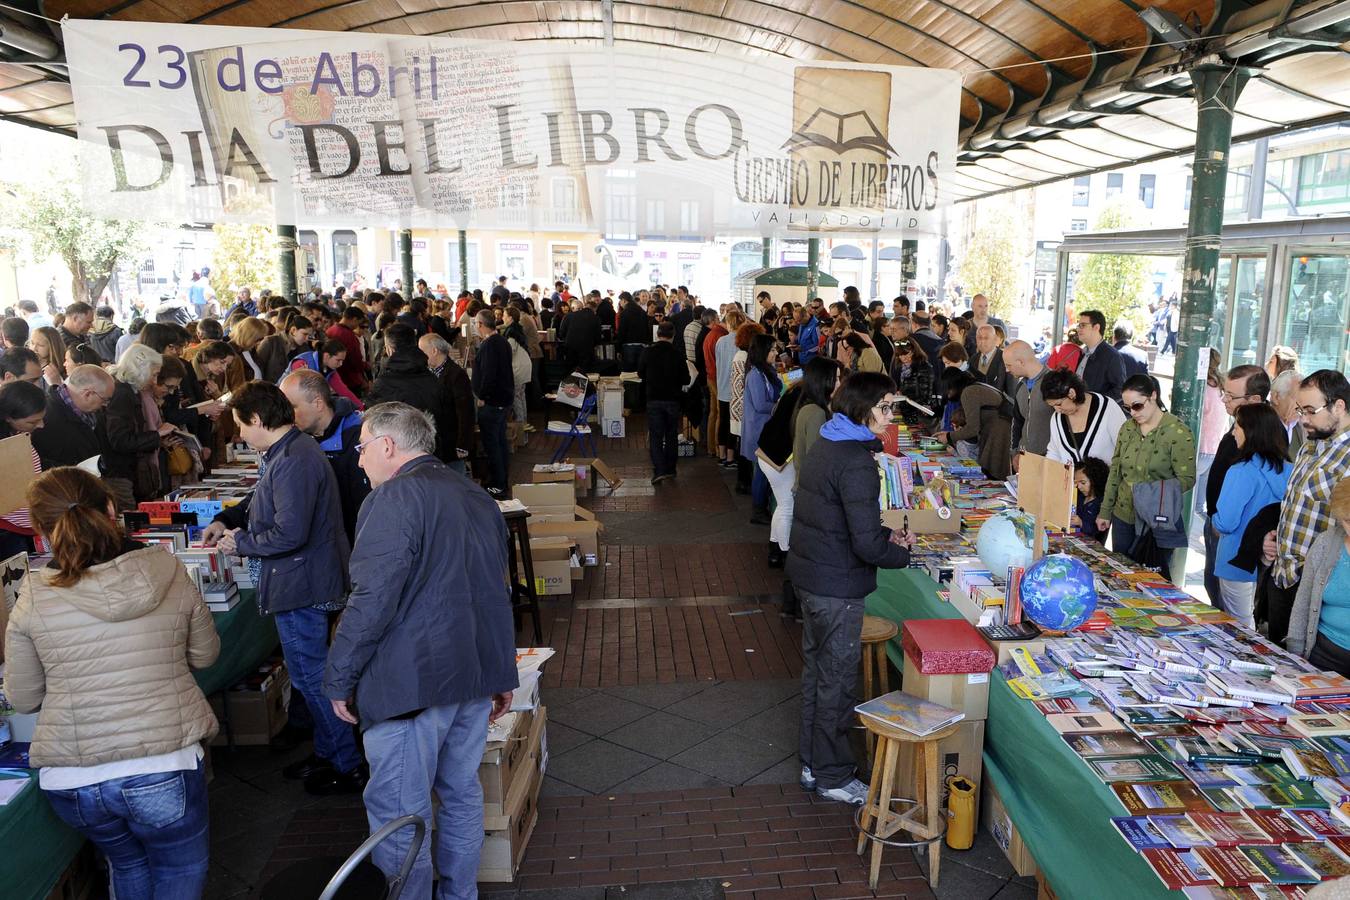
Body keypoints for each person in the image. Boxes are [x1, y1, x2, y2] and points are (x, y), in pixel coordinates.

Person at [323, 402, 517, 899]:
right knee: (460, 795)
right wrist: (498, 672)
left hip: (411, 683)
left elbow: (371, 599)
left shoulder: (393, 499)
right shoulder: (475, 495)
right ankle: (460, 895)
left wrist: (339, 678)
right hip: (469, 675)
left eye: (361, 448)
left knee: (400, 815)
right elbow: (495, 590)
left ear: (388, 445)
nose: (359, 460)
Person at [3, 468, 220, 900]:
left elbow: (24, 698)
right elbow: (205, 654)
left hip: (74, 776)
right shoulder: (167, 568)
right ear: (109, 509)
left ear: (42, 533)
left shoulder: (33, 594)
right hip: (162, 762)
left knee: (126, 862)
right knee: (179, 865)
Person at [205, 381, 363, 795]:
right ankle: (330, 752)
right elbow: (265, 502)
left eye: (241, 425)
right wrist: (231, 518)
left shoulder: (293, 459)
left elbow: (289, 533)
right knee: (308, 673)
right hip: (300, 578)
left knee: (312, 677)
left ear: (257, 419)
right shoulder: (287, 451)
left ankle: (346, 763)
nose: (239, 434)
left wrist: (240, 542)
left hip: (302, 583)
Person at [788, 371, 913, 805]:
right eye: (884, 407)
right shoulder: (856, 460)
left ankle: (812, 763)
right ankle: (832, 775)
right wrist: (901, 552)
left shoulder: (829, 441)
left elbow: (843, 520)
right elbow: (865, 542)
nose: (889, 416)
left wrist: (879, 537)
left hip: (812, 577)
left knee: (818, 675)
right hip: (835, 587)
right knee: (837, 683)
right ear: (862, 408)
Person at [1263, 370, 1350, 646]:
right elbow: (1297, 504)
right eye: (1300, 410)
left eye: (1311, 410)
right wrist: (1274, 536)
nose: (1303, 419)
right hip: (1283, 575)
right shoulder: (1312, 443)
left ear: (1339, 406)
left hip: (1314, 585)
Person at [1097, 374, 1197, 571]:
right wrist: (1105, 511)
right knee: (1121, 572)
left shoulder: (1177, 432)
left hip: (1157, 519)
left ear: (1153, 396)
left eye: (1137, 406)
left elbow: (1187, 479)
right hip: (1123, 515)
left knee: (1152, 578)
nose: (1133, 413)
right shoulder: (1127, 429)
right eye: (1127, 408)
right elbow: (1116, 472)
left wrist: (1150, 492)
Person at [1212, 403, 1291, 629]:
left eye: (1237, 427)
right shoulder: (1289, 470)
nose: (1233, 432)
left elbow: (1226, 522)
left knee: (1239, 626)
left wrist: (1215, 522)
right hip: (1272, 560)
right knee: (1256, 620)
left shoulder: (1241, 471)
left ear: (1253, 431)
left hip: (1236, 559)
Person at [1202, 365, 1270, 611]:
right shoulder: (1239, 426)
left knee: (1231, 611)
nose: (1223, 400)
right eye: (1224, 393)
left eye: (1231, 396)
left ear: (1255, 399)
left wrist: (1222, 524)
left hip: (1234, 537)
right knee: (1214, 592)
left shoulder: (1263, 437)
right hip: (1219, 526)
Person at [281, 369, 370, 544]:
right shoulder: (296, 437)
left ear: (318, 404)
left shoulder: (359, 439)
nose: (287, 415)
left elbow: (366, 511)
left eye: (293, 407)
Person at [366, 324, 454, 465]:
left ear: (389, 348)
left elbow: (372, 425)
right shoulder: (433, 379)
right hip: (433, 456)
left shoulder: (383, 384)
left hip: (398, 461)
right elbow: (448, 420)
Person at [1288, 478, 1350, 676]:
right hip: (1324, 655)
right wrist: (1295, 653)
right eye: (1349, 521)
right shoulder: (1326, 544)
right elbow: (1303, 602)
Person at [105, 344, 176, 510]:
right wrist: (157, 435)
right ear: (140, 370)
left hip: (129, 472)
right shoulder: (122, 393)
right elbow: (121, 440)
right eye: (154, 375)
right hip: (120, 473)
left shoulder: (129, 391)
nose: (155, 381)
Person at [31, 364, 114, 471]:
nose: (105, 405)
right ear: (87, 394)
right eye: (105, 400)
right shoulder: (46, 419)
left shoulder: (85, 411)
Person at [934, 370, 1014, 479]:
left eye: (948, 389)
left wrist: (948, 437)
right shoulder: (975, 387)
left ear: (953, 385)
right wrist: (949, 433)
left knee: (993, 473)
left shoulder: (969, 392)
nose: (948, 393)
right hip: (1000, 429)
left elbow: (972, 428)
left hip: (998, 434)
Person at [638, 320, 690, 484]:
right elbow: (686, 379)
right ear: (673, 336)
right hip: (673, 400)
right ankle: (671, 469)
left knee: (656, 436)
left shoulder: (648, 352)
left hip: (653, 399)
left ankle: (659, 470)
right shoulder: (678, 353)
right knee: (671, 435)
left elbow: (640, 374)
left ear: (657, 334)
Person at [1041, 368, 1127, 467]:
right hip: (1070, 482)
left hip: (1108, 480)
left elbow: (1125, 449)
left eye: (1059, 404)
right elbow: (1054, 453)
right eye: (1052, 406)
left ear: (1071, 393)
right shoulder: (1057, 419)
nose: (1057, 410)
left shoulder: (1108, 408)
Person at [741, 333, 783, 523]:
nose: (776, 353)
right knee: (761, 471)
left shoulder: (765, 371)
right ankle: (757, 511)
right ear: (763, 351)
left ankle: (760, 507)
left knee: (763, 471)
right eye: (772, 349)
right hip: (759, 430)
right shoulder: (755, 375)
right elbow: (760, 404)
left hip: (765, 429)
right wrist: (780, 405)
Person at [0, 381, 45, 556]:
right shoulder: (8, 446)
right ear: (8, 417)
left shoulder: (18, 436)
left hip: (28, 525)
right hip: (9, 531)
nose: (41, 425)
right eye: (32, 421)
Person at [471, 310, 514, 497]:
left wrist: (482, 396)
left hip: (492, 401)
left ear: (481, 324)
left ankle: (498, 482)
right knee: (500, 442)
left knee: (493, 444)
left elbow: (488, 375)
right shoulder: (502, 341)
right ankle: (502, 479)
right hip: (503, 400)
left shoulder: (489, 345)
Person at [419, 333, 476, 474]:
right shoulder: (426, 373)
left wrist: (463, 444)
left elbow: (465, 412)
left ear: (434, 351)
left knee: (455, 481)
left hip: (451, 443)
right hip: (435, 443)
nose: (419, 355)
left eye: (422, 351)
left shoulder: (456, 375)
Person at [1006, 340, 1052, 465]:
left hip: (1049, 461)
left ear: (1020, 362)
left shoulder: (1053, 383)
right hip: (1024, 458)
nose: (1007, 370)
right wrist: (1014, 452)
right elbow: (1017, 422)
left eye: (1009, 365)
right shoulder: (1020, 386)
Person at [713, 309, 745, 468]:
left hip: (722, 385)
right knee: (733, 423)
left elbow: (717, 362)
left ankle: (722, 455)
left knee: (723, 420)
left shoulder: (720, 341)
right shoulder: (741, 342)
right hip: (736, 389)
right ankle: (731, 458)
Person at [1075, 310, 1126, 401]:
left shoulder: (1111, 356)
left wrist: (1095, 402)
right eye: (1078, 325)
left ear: (1096, 327)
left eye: (1083, 325)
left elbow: (1120, 389)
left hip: (1098, 412)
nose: (1078, 329)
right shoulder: (1083, 353)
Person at [327, 307, 370, 396]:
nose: (357, 325)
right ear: (354, 319)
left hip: (334, 378)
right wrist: (366, 366)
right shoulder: (349, 335)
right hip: (349, 380)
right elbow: (356, 361)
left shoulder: (330, 330)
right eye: (358, 322)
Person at [556, 295, 602, 373]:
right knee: (586, 373)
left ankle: (571, 385)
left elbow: (561, 334)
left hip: (570, 350)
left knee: (571, 373)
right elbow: (598, 337)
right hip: (586, 350)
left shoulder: (568, 316)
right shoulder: (595, 318)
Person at [890, 339, 933, 420]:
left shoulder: (924, 367)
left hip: (918, 410)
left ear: (913, 351)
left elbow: (927, 391)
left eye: (907, 354)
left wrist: (904, 393)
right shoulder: (897, 366)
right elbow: (894, 384)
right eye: (900, 355)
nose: (903, 358)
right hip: (901, 408)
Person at [1073, 458, 1109, 544]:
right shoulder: (1079, 496)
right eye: (1076, 483)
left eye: (1083, 483)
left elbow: (1098, 532)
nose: (1079, 487)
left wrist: (1081, 523)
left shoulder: (1102, 503)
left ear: (1094, 480)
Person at [972, 325, 1015, 396]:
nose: (982, 341)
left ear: (994, 339)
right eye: (979, 338)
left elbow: (1011, 393)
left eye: (986, 338)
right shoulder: (972, 359)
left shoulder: (1006, 359)